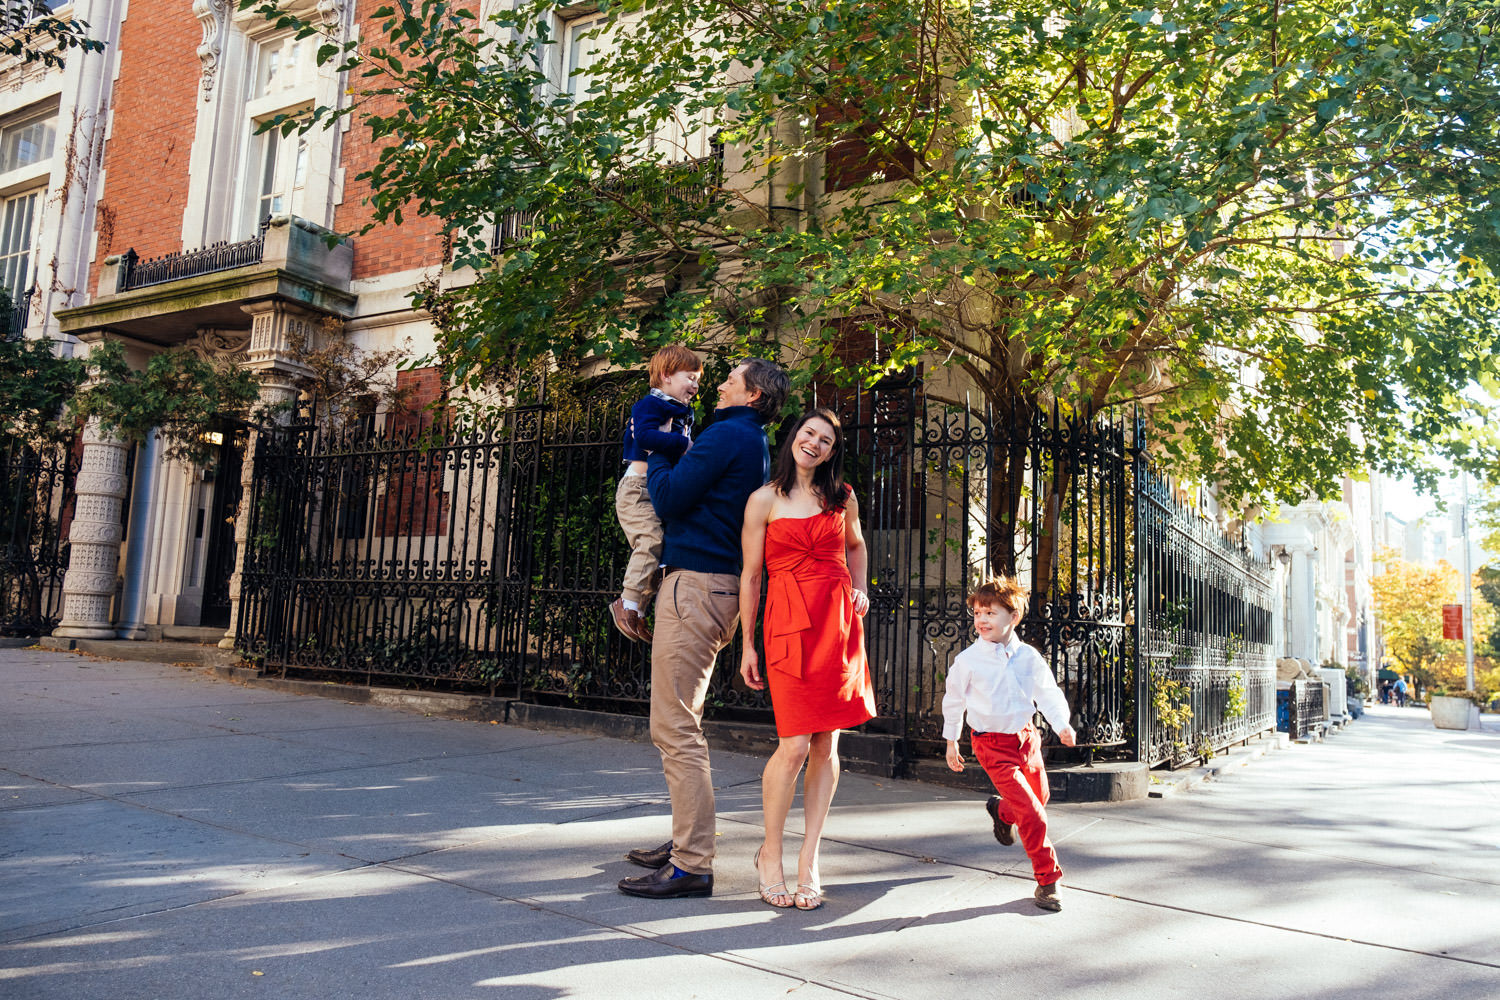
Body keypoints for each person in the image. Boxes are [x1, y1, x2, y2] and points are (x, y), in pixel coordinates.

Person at [617, 357, 790, 900]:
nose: (717, 383)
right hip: (710, 589)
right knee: (681, 721)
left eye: (730, 380)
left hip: (694, 587)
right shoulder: (748, 439)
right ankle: (684, 840)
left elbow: (665, 499)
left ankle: (692, 862)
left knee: (674, 727)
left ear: (753, 396)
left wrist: (656, 452)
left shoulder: (725, 435)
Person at [738, 408, 876, 911]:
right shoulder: (762, 501)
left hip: (837, 628)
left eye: (826, 440)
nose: (815, 444)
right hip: (788, 627)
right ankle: (769, 854)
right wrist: (747, 643)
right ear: (793, 436)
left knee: (826, 744)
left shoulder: (842, 497)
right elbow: (751, 577)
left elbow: (856, 547)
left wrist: (860, 589)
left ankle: (809, 860)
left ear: (832, 451)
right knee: (794, 745)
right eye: (808, 433)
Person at [943, 575, 1077, 912]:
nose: (982, 620)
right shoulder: (968, 661)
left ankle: (1001, 811)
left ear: (1013, 616)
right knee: (1033, 813)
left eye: (991, 613)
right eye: (977, 613)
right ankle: (1048, 881)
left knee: (1038, 799)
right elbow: (954, 701)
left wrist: (1062, 725)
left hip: (1026, 739)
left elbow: (1047, 693)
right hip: (991, 745)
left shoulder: (1027, 657)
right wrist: (951, 741)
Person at [608, 344, 703, 643]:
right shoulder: (649, 405)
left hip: (658, 488)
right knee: (649, 541)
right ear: (666, 375)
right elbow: (646, 436)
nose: (695, 386)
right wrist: (682, 446)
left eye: (698, 380)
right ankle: (626, 603)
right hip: (637, 489)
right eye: (690, 377)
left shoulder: (682, 412)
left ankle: (639, 610)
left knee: (662, 551)